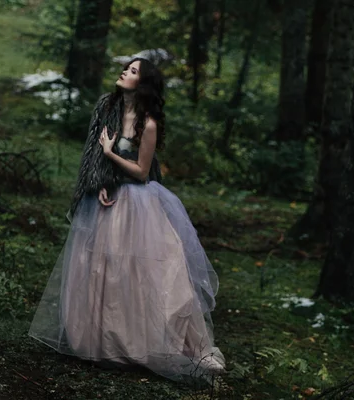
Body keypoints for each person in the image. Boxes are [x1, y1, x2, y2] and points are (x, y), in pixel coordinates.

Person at [29, 57, 225, 381]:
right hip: (106, 197)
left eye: (132, 71)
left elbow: (142, 172)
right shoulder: (108, 107)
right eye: (126, 68)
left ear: (143, 83)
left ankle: (138, 342)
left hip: (137, 201)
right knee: (99, 269)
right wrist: (101, 182)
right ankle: (100, 342)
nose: (124, 72)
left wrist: (111, 155)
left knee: (134, 273)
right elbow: (92, 155)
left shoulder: (148, 124)